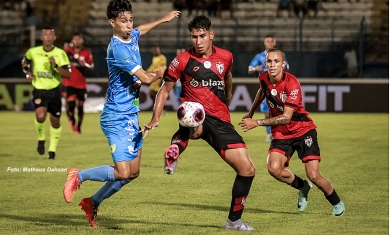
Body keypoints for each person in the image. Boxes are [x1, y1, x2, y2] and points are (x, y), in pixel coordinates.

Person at [62, 0, 180, 227]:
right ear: (112, 22)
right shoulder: (117, 49)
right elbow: (146, 78)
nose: (129, 25)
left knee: (132, 173)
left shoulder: (131, 36)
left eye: (130, 20)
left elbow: (139, 30)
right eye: (123, 21)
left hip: (130, 115)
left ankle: (92, 202)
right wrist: (161, 72)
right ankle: (78, 176)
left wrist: (162, 20)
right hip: (116, 116)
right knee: (122, 171)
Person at [144, 15, 256, 231]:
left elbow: (228, 76)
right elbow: (165, 90)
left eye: (202, 36)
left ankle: (233, 221)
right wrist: (155, 118)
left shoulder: (226, 57)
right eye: (194, 37)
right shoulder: (182, 60)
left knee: (247, 169)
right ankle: (175, 150)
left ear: (211, 34)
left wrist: (229, 96)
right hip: (195, 114)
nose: (198, 41)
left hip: (221, 119)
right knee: (193, 124)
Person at [239, 48, 345, 216]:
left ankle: (336, 202)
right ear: (265, 63)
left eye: (276, 61)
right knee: (273, 169)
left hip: (303, 130)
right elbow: (262, 91)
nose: (272, 65)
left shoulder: (292, 83)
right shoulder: (263, 77)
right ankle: (302, 187)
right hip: (281, 134)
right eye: (269, 61)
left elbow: (287, 117)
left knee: (314, 175)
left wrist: (256, 122)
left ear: (283, 64)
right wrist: (250, 112)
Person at [21, 26, 71, 160]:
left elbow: (68, 74)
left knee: (55, 121)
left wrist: (55, 66)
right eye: (45, 35)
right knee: (41, 115)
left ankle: (52, 150)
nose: (48, 37)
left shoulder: (60, 53)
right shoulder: (33, 51)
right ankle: (41, 139)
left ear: (54, 38)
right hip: (39, 89)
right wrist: (27, 73)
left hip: (54, 90)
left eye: (51, 35)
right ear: (41, 37)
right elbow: (24, 62)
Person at [248, 35, 289, 143]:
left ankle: (279, 133)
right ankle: (269, 134)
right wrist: (257, 68)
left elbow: (287, 67)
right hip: (266, 89)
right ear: (264, 43)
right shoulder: (259, 56)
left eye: (271, 41)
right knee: (267, 113)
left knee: (280, 112)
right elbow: (250, 69)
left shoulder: (280, 55)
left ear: (274, 43)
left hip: (279, 88)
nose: (270, 43)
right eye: (268, 41)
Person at [62, 33, 94, 134]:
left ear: (82, 41)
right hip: (69, 82)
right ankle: (72, 120)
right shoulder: (67, 52)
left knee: (80, 105)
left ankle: (79, 126)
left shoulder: (86, 53)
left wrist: (84, 65)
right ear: (72, 41)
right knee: (70, 103)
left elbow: (91, 67)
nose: (76, 41)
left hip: (81, 84)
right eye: (74, 39)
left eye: (78, 39)